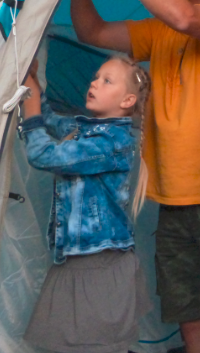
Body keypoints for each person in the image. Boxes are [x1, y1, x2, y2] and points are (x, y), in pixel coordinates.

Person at [71, 0, 200, 353]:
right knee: (190, 315)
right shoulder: (157, 30)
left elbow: (185, 17)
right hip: (172, 199)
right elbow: (91, 32)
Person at [18, 55, 152, 353]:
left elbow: (43, 155)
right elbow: (52, 119)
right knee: (76, 344)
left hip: (99, 265)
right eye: (96, 77)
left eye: (107, 81)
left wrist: (31, 113)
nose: (94, 83)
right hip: (79, 261)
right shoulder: (85, 130)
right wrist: (33, 84)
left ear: (127, 100)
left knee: (95, 344)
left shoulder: (111, 142)